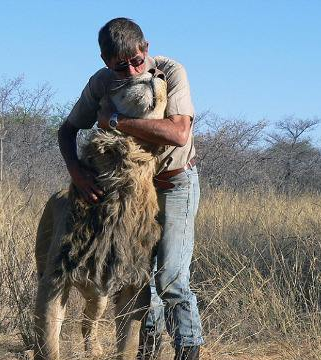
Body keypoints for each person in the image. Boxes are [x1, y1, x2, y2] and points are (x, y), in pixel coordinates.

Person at [57, 17, 203, 360]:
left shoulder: (171, 71)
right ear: (106, 63)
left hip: (174, 181)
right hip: (132, 190)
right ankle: (146, 352)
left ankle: (188, 350)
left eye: (137, 61)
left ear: (146, 49)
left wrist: (114, 122)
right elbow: (67, 129)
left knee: (170, 277)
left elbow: (178, 133)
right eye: (121, 66)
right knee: (137, 277)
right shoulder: (101, 83)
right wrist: (76, 171)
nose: (133, 72)